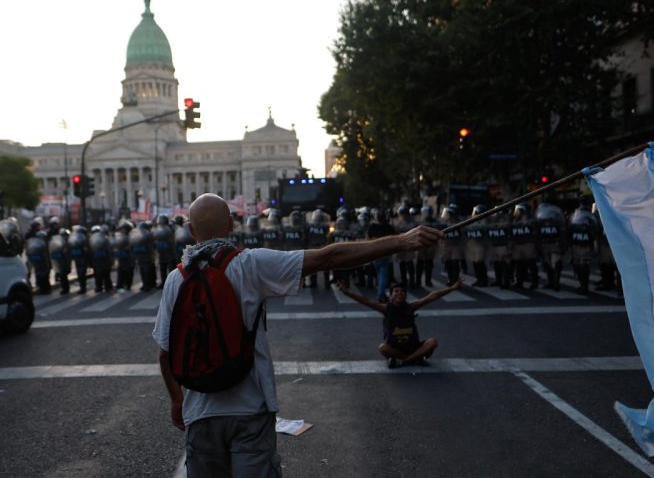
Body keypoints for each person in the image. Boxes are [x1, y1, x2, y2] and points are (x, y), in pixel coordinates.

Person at [152, 193, 442, 477]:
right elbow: (330, 256)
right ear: (231, 225)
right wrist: (401, 241)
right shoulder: (251, 264)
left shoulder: (177, 279)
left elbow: (165, 353)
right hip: (250, 409)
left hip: (200, 412)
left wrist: (177, 400)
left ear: (190, 230)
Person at [338, 278, 462, 369]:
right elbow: (366, 301)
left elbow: (431, 296)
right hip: (395, 349)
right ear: (390, 296)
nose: (399, 293)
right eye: (396, 291)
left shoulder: (411, 307)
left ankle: (404, 361)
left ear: (406, 296)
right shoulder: (386, 308)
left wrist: (452, 288)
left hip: (414, 347)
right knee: (382, 348)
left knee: (432, 342)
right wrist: (348, 293)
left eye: (402, 291)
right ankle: (415, 359)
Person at [366, 208, 397, 301]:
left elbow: (367, 239)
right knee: (383, 275)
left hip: (374, 253)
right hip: (385, 254)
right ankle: (380, 295)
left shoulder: (372, 227)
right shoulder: (389, 227)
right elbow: (396, 239)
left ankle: (381, 293)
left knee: (380, 274)